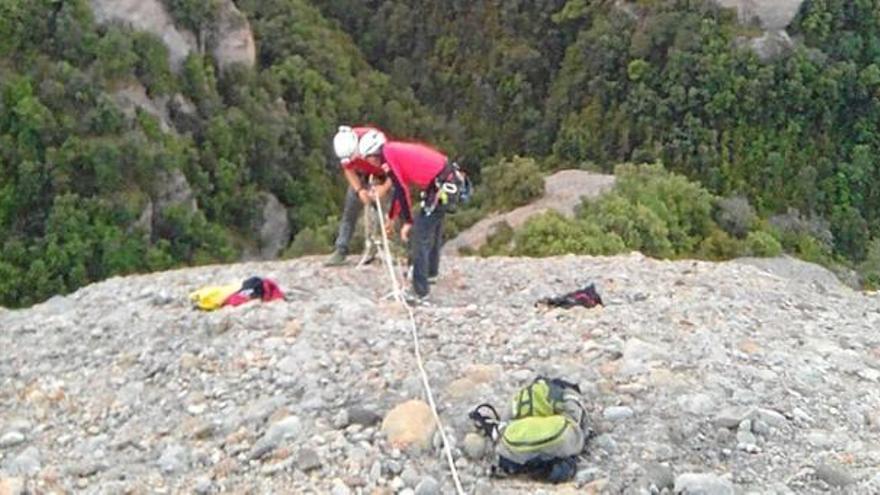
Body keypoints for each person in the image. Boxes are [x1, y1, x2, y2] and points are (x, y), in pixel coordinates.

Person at [358, 130, 468, 300]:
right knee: (433, 226)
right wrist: (392, 217)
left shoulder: (388, 158)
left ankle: (420, 290)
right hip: (444, 178)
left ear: (374, 153)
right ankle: (430, 272)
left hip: (441, 184)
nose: (370, 163)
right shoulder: (391, 151)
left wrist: (407, 221)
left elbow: (402, 190)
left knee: (420, 234)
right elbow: (399, 188)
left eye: (369, 158)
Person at [325, 125, 388, 266]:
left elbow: (392, 170)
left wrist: (381, 187)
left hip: (381, 174)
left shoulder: (376, 142)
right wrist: (359, 190)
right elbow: (348, 170)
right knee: (350, 212)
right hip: (360, 174)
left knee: (384, 212)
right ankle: (341, 249)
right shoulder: (345, 147)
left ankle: (382, 248)